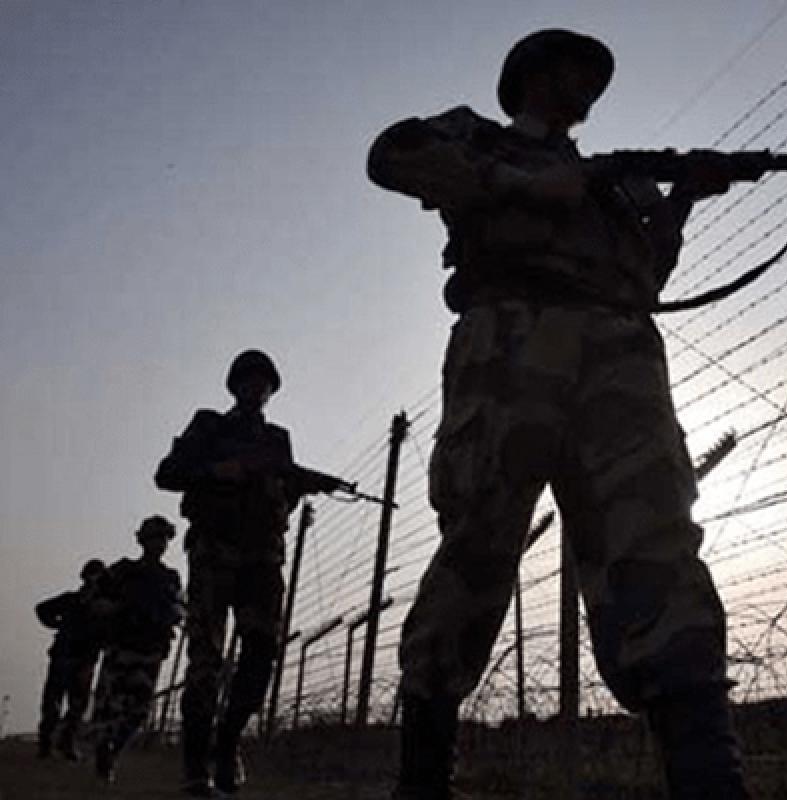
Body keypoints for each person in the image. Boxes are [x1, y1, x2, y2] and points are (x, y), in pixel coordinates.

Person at [367, 28, 748, 799]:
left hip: (620, 359)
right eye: (574, 69)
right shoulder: (472, 134)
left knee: (656, 544)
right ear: (532, 76)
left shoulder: (613, 184)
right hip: (509, 342)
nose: (587, 86)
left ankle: (709, 778)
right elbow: (389, 156)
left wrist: (679, 201)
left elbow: (646, 274)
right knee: (478, 543)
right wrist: (521, 184)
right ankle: (424, 776)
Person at [155, 349, 329, 797]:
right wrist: (217, 470)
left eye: (264, 382)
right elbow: (168, 474)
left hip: (262, 559)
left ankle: (227, 742)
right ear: (234, 386)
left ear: (271, 391)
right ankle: (196, 768)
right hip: (215, 552)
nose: (257, 388)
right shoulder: (209, 425)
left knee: (261, 654)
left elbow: (283, 495)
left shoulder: (278, 440)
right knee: (205, 661)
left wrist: (294, 487)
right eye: (248, 380)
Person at [91, 515, 184, 783]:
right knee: (109, 708)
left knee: (138, 711)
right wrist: (111, 609)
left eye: (163, 538)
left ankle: (111, 754)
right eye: (154, 537)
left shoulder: (170, 578)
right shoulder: (123, 571)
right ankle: (104, 752)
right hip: (120, 647)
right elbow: (96, 597)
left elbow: (178, 607)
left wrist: (172, 618)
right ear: (142, 540)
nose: (159, 543)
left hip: (149, 650)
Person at [34, 558, 108, 761]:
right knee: (54, 703)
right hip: (65, 656)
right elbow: (42, 609)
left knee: (77, 706)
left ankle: (63, 742)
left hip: (84, 660)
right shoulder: (71, 600)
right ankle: (47, 743)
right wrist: (57, 625)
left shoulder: (100, 607)